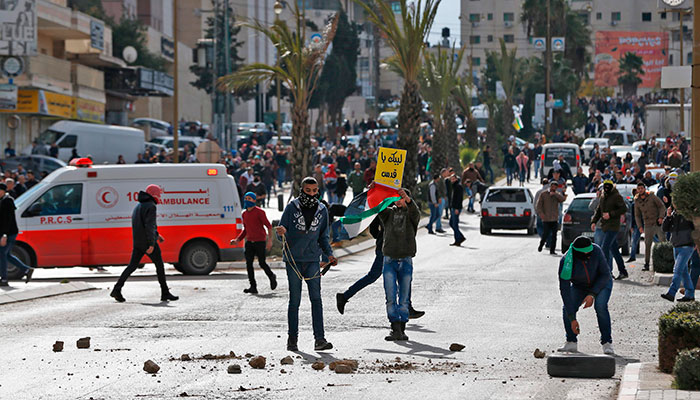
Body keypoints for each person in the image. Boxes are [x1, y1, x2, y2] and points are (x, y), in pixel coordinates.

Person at [276, 177, 336, 351]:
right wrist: (281, 232)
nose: (311, 194)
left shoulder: (322, 209)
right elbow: (281, 231)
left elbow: (324, 236)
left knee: (316, 299)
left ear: (318, 191)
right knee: (294, 300)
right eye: (308, 190)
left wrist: (329, 255)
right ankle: (292, 339)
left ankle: (320, 339)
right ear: (302, 190)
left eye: (314, 191)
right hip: (293, 260)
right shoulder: (291, 207)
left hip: (312, 259)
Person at [110, 185, 178, 303]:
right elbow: (149, 225)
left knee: (131, 266)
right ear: (154, 193)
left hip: (138, 242)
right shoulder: (151, 206)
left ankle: (117, 289)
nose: (160, 196)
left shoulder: (139, 206)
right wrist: (152, 243)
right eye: (159, 193)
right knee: (159, 266)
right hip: (147, 242)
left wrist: (157, 235)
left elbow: (143, 225)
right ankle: (165, 292)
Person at [557, 236, 614, 355]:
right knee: (567, 309)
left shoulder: (596, 250)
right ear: (578, 254)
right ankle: (571, 342)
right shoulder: (566, 262)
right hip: (580, 286)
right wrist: (572, 318)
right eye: (586, 254)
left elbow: (605, 274)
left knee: (600, 306)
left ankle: (607, 342)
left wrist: (592, 294)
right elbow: (565, 290)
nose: (589, 255)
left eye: (590, 253)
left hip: (601, 283)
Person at [378, 188, 420, 341]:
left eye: (401, 198)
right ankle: (394, 327)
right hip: (389, 259)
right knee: (390, 296)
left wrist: (408, 199)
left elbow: (416, 212)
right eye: (396, 198)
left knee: (403, 297)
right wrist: (377, 190)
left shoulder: (411, 214)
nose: (399, 200)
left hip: (406, 259)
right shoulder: (388, 213)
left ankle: (402, 328)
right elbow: (378, 207)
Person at [231, 192, 277, 294]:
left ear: (254, 200)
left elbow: (269, 226)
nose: (247, 200)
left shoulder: (260, 212)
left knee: (262, 262)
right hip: (249, 242)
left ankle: (271, 276)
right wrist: (237, 240)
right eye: (246, 198)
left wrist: (270, 240)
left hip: (260, 242)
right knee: (249, 264)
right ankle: (253, 286)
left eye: (250, 198)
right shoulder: (244, 214)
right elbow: (245, 230)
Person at [591, 180, 629, 280]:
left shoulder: (616, 196)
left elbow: (624, 209)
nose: (606, 189)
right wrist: (594, 221)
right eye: (605, 187)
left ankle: (606, 272)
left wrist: (611, 214)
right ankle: (623, 271)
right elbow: (599, 210)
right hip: (605, 226)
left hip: (613, 226)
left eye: (608, 187)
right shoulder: (603, 196)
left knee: (605, 247)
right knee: (614, 250)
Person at [660, 203, 696, 302]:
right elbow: (664, 228)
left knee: (677, 269)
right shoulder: (673, 215)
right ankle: (690, 294)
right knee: (683, 272)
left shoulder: (689, 214)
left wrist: (697, 241)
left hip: (687, 246)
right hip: (676, 246)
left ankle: (671, 293)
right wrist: (668, 216)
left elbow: (696, 228)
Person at [0, 183, 33, 286]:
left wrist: (4, 235)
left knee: (2, 255)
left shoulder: (7, 201)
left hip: (9, 233)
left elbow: (8, 220)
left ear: (2, 191)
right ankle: (26, 270)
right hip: (6, 233)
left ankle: (4, 279)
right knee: (7, 255)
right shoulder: (3, 200)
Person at [632, 182, 665, 270]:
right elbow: (637, 215)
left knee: (663, 242)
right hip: (647, 224)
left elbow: (661, 206)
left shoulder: (652, 197)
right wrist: (639, 226)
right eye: (639, 189)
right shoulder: (637, 200)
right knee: (647, 244)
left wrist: (661, 217)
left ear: (645, 189)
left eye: (642, 188)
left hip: (657, 222)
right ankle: (646, 264)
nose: (640, 190)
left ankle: (665, 261)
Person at [536, 182, 566, 254]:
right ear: (550, 186)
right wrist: (541, 214)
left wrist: (555, 194)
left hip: (554, 218)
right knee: (545, 234)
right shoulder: (544, 194)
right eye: (553, 187)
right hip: (546, 218)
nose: (554, 188)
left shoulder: (557, 194)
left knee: (554, 235)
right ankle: (541, 244)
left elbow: (562, 199)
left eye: (555, 187)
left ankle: (552, 250)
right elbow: (538, 205)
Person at [448, 174, 466, 246]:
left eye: (453, 179)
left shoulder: (458, 186)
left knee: (455, 224)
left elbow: (459, 199)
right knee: (452, 223)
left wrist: (457, 208)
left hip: (456, 208)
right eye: (451, 179)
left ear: (456, 179)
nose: (452, 180)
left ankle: (458, 240)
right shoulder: (454, 186)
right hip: (453, 208)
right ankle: (460, 237)